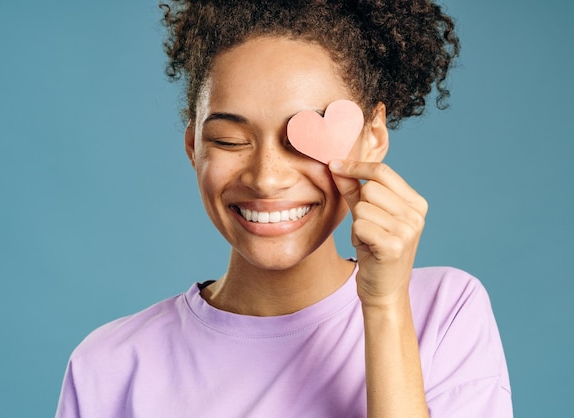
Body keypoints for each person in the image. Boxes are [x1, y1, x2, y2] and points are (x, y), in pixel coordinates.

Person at [56, 1, 512, 417]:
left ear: (372, 137)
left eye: (302, 141)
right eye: (229, 141)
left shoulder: (446, 314)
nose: (266, 177)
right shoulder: (107, 368)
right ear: (193, 146)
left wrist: (385, 307)